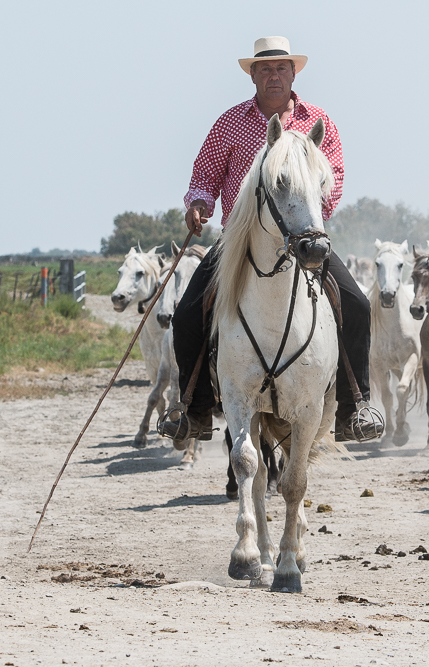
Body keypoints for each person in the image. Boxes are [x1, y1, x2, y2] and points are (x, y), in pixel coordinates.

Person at [166, 36, 377, 442]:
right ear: (253, 76)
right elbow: (204, 176)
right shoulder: (230, 123)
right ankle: (193, 410)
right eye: (265, 69)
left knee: (357, 305)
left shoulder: (318, 122)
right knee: (188, 313)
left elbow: (332, 180)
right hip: (239, 239)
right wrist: (198, 203)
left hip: (303, 238)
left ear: (294, 74)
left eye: (282, 68)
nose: (274, 75)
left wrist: (309, 221)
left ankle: (355, 406)